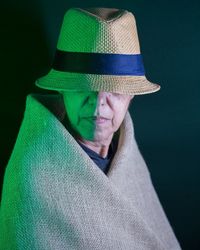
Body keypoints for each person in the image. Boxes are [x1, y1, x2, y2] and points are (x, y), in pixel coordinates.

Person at [0, 7, 181, 249]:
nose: (98, 105)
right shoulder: (32, 178)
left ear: (131, 97)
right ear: (62, 92)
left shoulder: (128, 157)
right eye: (83, 88)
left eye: (114, 91)